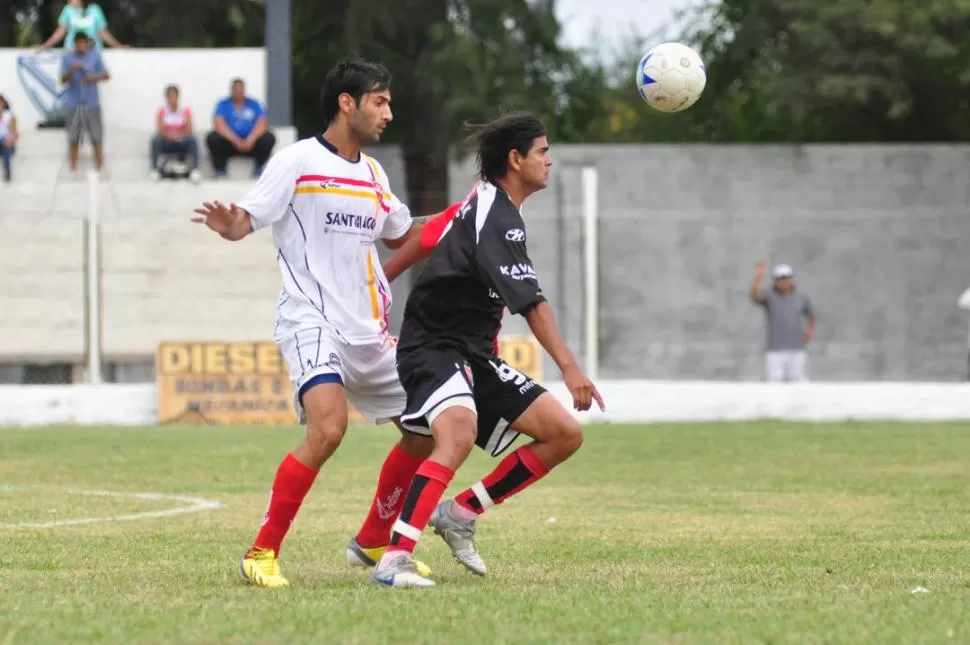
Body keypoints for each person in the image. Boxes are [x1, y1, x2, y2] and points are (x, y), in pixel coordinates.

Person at [192, 58, 441, 589]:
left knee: (426, 430)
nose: (388, 112)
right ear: (346, 103)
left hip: (367, 332)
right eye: (380, 100)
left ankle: (375, 539)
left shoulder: (373, 173)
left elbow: (401, 233)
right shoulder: (298, 161)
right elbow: (246, 220)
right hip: (312, 321)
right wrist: (228, 223)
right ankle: (261, 553)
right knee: (328, 428)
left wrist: (463, 218)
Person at [370, 111, 603, 588]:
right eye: (542, 151)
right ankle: (393, 559)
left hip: (475, 355)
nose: (549, 161)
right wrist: (571, 369)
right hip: (432, 347)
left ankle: (460, 512)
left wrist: (384, 278)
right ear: (515, 159)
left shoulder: (489, 206)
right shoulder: (496, 217)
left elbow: (428, 236)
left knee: (563, 434)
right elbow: (532, 305)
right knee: (455, 433)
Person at [750, 262, 816, 382]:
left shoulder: (801, 297)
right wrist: (758, 277)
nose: (784, 282)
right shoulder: (769, 296)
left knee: (798, 381)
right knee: (774, 382)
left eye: (786, 278)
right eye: (780, 279)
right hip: (775, 350)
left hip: (797, 348)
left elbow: (811, 314)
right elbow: (754, 295)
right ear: (775, 281)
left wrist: (810, 330)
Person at [60, 32, 109, 173]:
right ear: (75, 43)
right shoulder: (67, 58)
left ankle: (100, 168)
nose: (82, 45)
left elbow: (106, 75)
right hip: (73, 104)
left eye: (84, 43)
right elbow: (62, 80)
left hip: (92, 103)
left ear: (87, 43)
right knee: (73, 138)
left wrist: (91, 78)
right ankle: (72, 169)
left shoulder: (95, 56)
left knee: (97, 137)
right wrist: (72, 69)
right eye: (79, 43)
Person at [206, 79, 275, 178]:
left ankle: (258, 168)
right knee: (213, 138)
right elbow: (219, 125)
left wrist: (250, 140)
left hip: (251, 143)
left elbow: (262, 123)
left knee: (268, 137)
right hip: (230, 143)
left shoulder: (254, 104)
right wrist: (236, 141)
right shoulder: (223, 104)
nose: (239, 92)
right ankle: (220, 170)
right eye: (236, 90)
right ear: (232, 90)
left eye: (241, 90)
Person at [151, 85, 201, 182]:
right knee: (155, 140)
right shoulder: (162, 111)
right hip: (167, 141)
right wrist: (169, 135)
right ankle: (154, 170)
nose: (172, 98)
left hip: (181, 141)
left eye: (174, 96)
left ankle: (195, 170)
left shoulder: (185, 110)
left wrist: (178, 135)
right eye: (170, 96)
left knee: (193, 140)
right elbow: (160, 129)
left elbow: (189, 129)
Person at [38, 0, 126, 50]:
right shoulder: (67, 10)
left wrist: (118, 46)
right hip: (72, 52)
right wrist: (44, 46)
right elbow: (60, 32)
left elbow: (103, 33)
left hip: (93, 53)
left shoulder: (95, 10)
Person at [0, 95, 18, 182]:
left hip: (7, 143)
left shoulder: (10, 116)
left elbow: (15, 133)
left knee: (4, 142)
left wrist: (10, 140)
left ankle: (7, 170)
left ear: (3, 104)